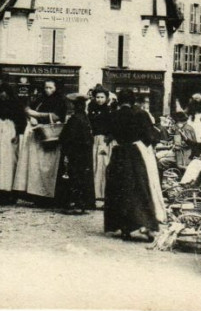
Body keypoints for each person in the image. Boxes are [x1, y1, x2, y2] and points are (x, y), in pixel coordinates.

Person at [104, 89, 166, 241]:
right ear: (133, 100)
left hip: (118, 153)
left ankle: (124, 227)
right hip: (134, 153)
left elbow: (109, 134)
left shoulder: (114, 115)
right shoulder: (140, 114)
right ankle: (145, 223)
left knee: (120, 189)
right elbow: (149, 137)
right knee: (139, 187)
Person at [14, 80, 68, 204]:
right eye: (46, 87)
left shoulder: (60, 101)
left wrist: (36, 114)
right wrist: (30, 116)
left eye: (50, 87)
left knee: (48, 166)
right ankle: (36, 194)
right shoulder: (40, 99)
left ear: (56, 88)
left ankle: (48, 195)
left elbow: (56, 116)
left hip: (50, 135)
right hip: (37, 134)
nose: (48, 90)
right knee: (35, 165)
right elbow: (28, 108)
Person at [56, 95, 95, 214]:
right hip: (85, 153)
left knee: (72, 177)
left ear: (74, 105)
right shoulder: (85, 118)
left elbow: (66, 137)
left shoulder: (74, 119)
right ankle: (83, 203)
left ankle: (72, 202)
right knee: (83, 177)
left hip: (74, 152)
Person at [87, 84, 113, 202]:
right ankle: (94, 191)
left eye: (102, 97)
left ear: (106, 98)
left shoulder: (109, 111)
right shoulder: (91, 110)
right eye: (97, 97)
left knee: (103, 164)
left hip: (104, 140)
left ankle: (102, 192)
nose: (99, 100)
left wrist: (108, 137)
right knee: (94, 163)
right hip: (94, 139)